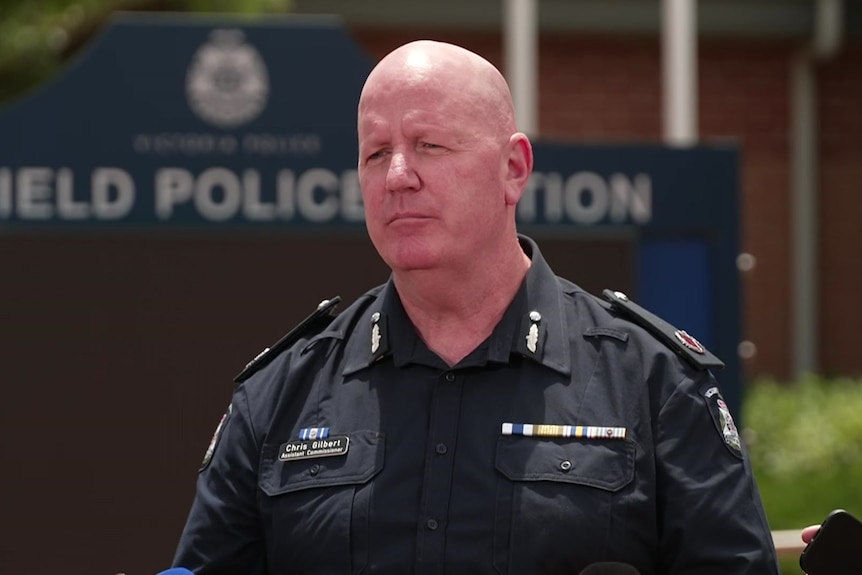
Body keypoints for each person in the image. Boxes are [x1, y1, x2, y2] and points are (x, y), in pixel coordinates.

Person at [171, 40, 781, 574]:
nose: (398, 176)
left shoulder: (652, 384)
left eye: (430, 145)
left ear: (513, 169)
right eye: (376, 153)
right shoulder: (281, 396)